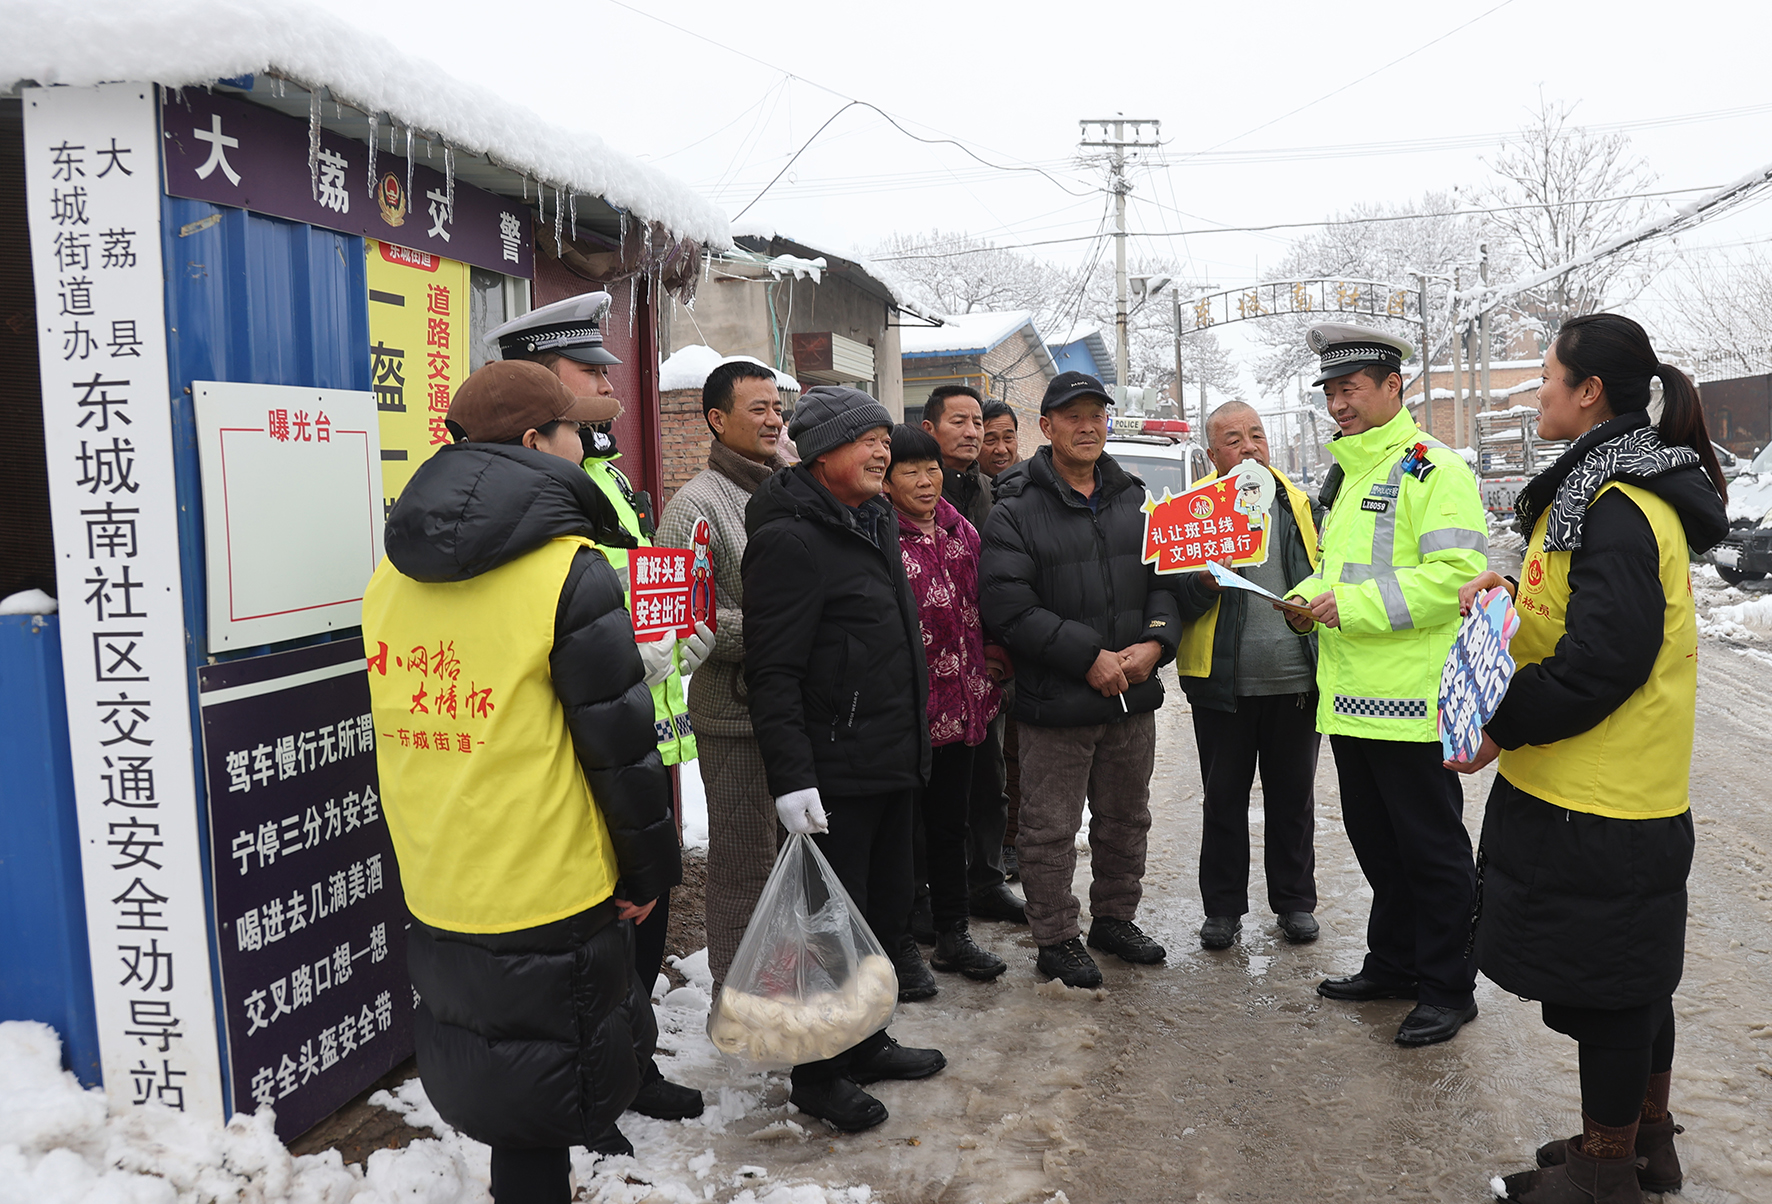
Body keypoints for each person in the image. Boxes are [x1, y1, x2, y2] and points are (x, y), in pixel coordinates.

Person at [363, 361, 680, 1202]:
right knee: (550, 1084)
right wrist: (647, 869)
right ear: (538, 442)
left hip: (440, 867)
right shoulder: (569, 569)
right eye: (577, 429)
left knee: (500, 1074)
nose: (589, 444)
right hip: (550, 875)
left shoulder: (392, 572)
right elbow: (620, 747)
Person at [1447, 315, 1727, 1204]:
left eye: (1546, 378)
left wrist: (1501, 720)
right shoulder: (1604, 487)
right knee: (1635, 982)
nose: (1536, 393)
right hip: (1610, 790)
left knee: (1611, 993)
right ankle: (1643, 1144)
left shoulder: (1615, 504)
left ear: (1590, 391)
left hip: (1597, 799)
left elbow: (1606, 659)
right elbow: (1580, 617)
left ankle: (1604, 1173)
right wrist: (1508, 597)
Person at [490, 291, 709, 1121]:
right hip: (582, 739)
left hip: (638, 723)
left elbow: (630, 579)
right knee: (599, 923)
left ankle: (630, 1062)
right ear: (541, 385)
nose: (611, 386)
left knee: (644, 908)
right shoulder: (528, 487)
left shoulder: (603, 472)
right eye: (589, 372)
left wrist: (674, 637)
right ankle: (597, 1085)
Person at [742, 385, 946, 1132]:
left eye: (885, 440)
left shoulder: (872, 518)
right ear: (823, 452)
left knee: (882, 913)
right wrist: (792, 778)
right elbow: (773, 671)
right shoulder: (791, 539)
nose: (883, 451)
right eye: (868, 440)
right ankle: (818, 1073)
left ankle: (865, 1040)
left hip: (889, 756)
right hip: (834, 770)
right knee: (828, 927)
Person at [1281, 322, 1489, 1047]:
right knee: (1380, 848)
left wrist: (1350, 605)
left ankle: (1448, 988)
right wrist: (1304, 598)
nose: (1339, 405)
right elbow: (1339, 573)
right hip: (1351, 701)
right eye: (1331, 393)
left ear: (1393, 386)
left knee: (1432, 855)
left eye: (1351, 390)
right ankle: (1395, 963)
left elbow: (1458, 579)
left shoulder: (1433, 469)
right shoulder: (1350, 472)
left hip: (1413, 706)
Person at [980, 371, 1183, 989]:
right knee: (1049, 829)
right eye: (1073, 416)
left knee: (1127, 818)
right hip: (1056, 700)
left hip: (1132, 695)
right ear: (1047, 427)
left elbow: (1165, 581)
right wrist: (1088, 656)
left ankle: (1115, 919)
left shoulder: (1135, 499)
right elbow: (1008, 607)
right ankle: (1056, 937)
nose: (1088, 426)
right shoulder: (1015, 507)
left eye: (1097, 415)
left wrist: (1155, 642)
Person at [656, 359, 790, 1002]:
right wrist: (785, 632)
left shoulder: (787, 489)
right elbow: (679, 617)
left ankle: (786, 980)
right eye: (757, 408)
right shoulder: (696, 505)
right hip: (734, 715)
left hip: (793, 709)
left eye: (777, 407)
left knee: (794, 854)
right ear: (716, 419)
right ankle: (738, 998)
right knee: (743, 862)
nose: (774, 420)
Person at [1173, 401, 1323, 950]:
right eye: (1233, 440)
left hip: (1295, 678)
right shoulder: (1192, 512)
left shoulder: (1301, 504)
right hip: (1222, 683)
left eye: (1256, 435)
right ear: (1213, 454)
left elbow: (1329, 573)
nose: (1249, 448)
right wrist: (1204, 583)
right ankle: (1222, 910)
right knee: (1223, 801)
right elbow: (1171, 593)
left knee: (1293, 800)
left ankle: (1295, 903)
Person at [882, 423, 1009, 981]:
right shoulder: (881, 535)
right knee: (905, 828)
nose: (925, 480)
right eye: (909, 471)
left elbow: (988, 602)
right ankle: (909, 923)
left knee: (950, 824)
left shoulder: (962, 531)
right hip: (908, 713)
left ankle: (954, 934)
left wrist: (996, 656)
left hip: (965, 706)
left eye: (931, 468)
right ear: (886, 482)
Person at [923, 386, 1025, 927]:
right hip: (929, 671)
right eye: (959, 421)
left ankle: (986, 879)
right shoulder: (907, 491)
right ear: (930, 429)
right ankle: (929, 895)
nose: (972, 432)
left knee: (990, 780)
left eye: (977, 422)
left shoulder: (995, 493)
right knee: (933, 789)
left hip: (986, 664)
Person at [979, 398, 1025, 880]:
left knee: (1020, 751)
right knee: (995, 756)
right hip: (985, 645)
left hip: (1026, 642)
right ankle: (999, 846)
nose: (999, 447)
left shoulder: (1031, 487)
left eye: (1006, 437)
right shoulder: (965, 493)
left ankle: (1014, 841)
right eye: (988, 438)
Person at [980, 399, 1022, 480]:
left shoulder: (1034, 482)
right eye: (990, 440)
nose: (1002, 450)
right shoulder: (960, 483)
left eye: (1008, 438)